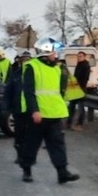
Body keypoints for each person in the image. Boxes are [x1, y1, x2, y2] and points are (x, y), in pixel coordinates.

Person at [18, 44, 80, 185]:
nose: (56, 56)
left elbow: (60, 90)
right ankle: (26, 169)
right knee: (31, 144)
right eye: (53, 53)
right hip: (38, 115)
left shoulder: (57, 68)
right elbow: (29, 92)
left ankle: (62, 172)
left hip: (54, 114)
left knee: (57, 144)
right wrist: (34, 110)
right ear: (45, 54)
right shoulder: (31, 67)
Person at [2, 50, 31, 164]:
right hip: (18, 110)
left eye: (27, 59)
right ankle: (20, 155)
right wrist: (5, 106)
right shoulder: (15, 75)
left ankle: (27, 156)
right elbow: (8, 91)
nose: (25, 62)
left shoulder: (34, 74)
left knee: (30, 135)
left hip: (31, 110)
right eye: (23, 59)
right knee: (19, 135)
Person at [67, 51, 92, 130]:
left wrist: (78, 86)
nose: (79, 58)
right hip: (75, 89)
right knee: (71, 107)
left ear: (84, 57)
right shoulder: (79, 65)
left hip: (81, 90)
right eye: (78, 56)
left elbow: (85, 79)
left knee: (81, 108)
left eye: (80, 56)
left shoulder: (86, 66)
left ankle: (79, 124)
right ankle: (69, 123)